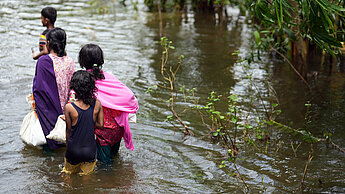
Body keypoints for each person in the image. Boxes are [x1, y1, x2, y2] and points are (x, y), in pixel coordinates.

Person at [78, 44, 139, 163]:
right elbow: (129, 96)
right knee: (115, 158)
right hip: (118, 129)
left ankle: (110, 182)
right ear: (100, 59)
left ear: (82, 61)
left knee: (105, 167)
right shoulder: (109, 77)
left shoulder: (83, 80)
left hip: (102, 132)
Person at [33, 28, 75, 149]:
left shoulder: (43, 61)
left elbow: (39, 89)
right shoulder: (70, 61)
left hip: (51, 109)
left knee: (50, 142)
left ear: (49, 43)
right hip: (68, 110)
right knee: (65, 141)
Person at [62, 70, 104, 175]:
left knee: (68, 174)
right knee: (87, 178)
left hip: (73, 150)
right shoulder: (97, 104)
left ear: (74, 88)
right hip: (89, 150)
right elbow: (101, 125)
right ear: (92, 88)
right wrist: (89, 122)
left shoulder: (69, 107)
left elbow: (69, 130)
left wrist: (68, 147)